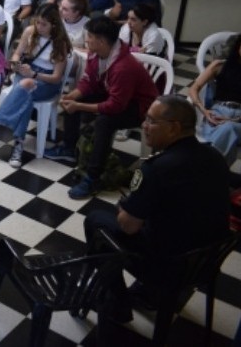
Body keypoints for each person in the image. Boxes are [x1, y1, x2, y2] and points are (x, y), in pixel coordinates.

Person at [83, 96, 230, 323]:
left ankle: (118, 302)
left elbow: (129, 227)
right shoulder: (215, 157)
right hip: (207, 261)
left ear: (174, 128)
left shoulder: (156, 168)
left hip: (166, 266)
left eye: (151, 121)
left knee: (96, 220)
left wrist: (124, 207)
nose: (144, 125)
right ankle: (148, 294)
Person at [43, 16, 159, 199]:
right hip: (117, 96)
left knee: (105, 122)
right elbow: (88, 81)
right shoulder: (96, 54)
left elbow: (115, 106)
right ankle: (68, 147)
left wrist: (79, 104)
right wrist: (73, 96)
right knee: (72, 101)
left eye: (89, 36)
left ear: (102, 41)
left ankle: (93, 177)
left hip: (140, 107)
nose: (86, 40)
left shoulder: (123, 67)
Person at [0, 3, 72, 168]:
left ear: (54, 25)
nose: (39, 27)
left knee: (25, 85)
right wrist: (15, 62)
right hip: (27, 72)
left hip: (46, 81)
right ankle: (18, 144)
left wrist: (34, 75)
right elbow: (17, 53)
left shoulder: (60, 43)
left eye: (44, 24)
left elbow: (56, 78)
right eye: (38, 22)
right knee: (26, 94)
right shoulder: (30, 32)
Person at [188, 33, 241, 161]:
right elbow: (194, 89)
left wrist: (234, 120)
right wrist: (204, 111)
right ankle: (214, 172)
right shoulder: (220, 65)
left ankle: (202, 166)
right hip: (218, 110)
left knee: (229, 128)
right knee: (225, 133)